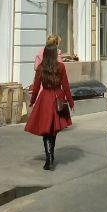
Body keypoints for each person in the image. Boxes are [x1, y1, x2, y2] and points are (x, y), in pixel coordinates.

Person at [25, 41, 74, 169]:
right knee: (53, 130)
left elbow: (36, 87)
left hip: (45, 99)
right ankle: (51, 155)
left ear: (46, 54)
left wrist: (32, 101)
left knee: (46, 131)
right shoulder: (61, 67)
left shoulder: (41, 68)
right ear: (54, 54)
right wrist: (70, 101)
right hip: (58, 97)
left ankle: (49, 158)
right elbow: (66, 85)